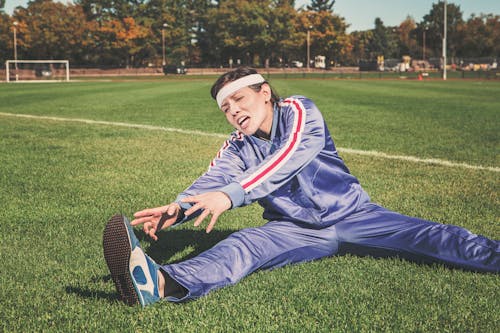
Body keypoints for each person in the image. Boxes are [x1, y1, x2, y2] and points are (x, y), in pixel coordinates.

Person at [103, 67, 499, 307]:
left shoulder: (299, 111)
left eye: (239, 99)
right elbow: (212, 181)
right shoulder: (236, 146)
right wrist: (179, 209)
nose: (234, 112)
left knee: (432, 237)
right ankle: (159, 283)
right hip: (293, 230)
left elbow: (289, 157)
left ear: (264, 92)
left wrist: (231, 195)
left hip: (356, 215)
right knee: (241, 246)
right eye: (226, 108)